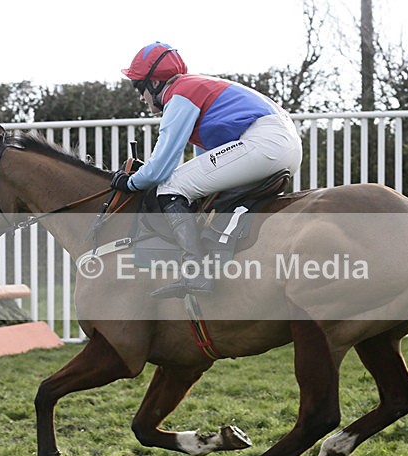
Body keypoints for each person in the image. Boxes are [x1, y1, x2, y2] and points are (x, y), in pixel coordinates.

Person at [113, 41, 303, 299]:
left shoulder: (179, 93)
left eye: (139, 87)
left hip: (265, 142)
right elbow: (206, 164)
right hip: (284, 144)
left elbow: (160, 169)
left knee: (170, 187)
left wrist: (131, 183)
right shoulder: (197, 87)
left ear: (155, 83)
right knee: (189, 188)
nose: (140, 97)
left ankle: (196, 271)